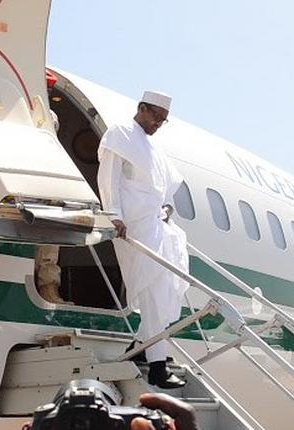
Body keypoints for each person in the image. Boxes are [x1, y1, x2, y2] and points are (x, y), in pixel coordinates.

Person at [97, 90, 189, 389]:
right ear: (142, 108)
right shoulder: (121, 134)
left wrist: (165, 207)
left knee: (164, 287)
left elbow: (161, 189)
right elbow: (108, 176)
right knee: (150, 290)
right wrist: (113, 214)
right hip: (132, 226)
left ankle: (138, 347)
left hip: (156, 226)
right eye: (155, 118)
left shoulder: (153, 148)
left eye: (163, 122)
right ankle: (158, 366)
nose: (157, 125)